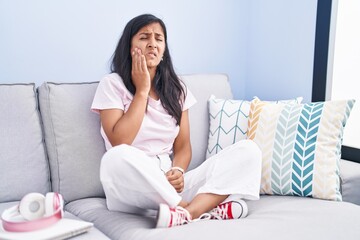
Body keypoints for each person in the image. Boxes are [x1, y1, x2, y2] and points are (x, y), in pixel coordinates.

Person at [91, 13, 262, 228]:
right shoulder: (112, 84)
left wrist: (178, 171)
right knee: (115, 157)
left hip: (169, 183)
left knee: (249, 151)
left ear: (164, 51)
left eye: (158, 38)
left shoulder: (177, 89)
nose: (152, 44)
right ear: (129, 46)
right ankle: (198, 208)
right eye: (144, 37)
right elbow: (119, 140)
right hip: (132, 187)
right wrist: (142, 90)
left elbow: (182, 147)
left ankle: (186, 213)